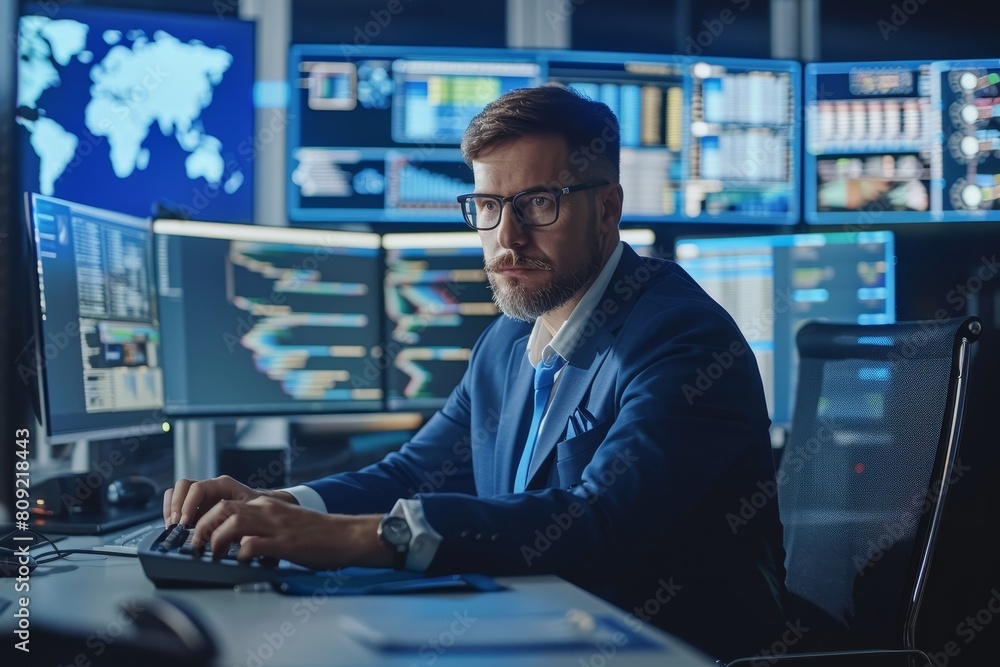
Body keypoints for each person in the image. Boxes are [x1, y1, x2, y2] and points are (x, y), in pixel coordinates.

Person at [165, 84, 787, 661]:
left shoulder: (682, 338)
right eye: (487, 206)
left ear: (608, 209)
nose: (506, 237)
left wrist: (352, 538)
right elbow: (415, 470)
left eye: (537, 204)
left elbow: (602, 527)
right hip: (537, 631)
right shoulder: (506, 340)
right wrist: (285, 505)